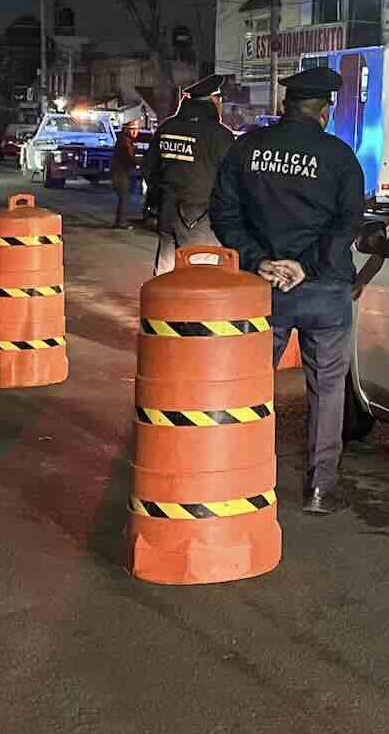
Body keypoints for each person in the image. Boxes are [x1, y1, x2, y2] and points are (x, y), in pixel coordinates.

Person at [209, 65, 365, 516]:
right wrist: (307, 264)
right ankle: (321, 489)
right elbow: (348, 223)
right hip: (324, 290)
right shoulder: (339, 156)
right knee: (328, 390)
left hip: (265, 290)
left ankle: (240, 477)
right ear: (324, 110)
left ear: (285, 104)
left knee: (252, 386)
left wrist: (260, 260)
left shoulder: (248, 148)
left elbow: (224, 213)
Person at [145, 73, 234, 271]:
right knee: (199, 277)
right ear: (214, 100)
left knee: (166, 272)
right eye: (220, 100)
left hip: (168, 211)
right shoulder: (219, 135)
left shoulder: (167, 127)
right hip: (200, 218)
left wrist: (160, 199)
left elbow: (150, 169)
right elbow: (232, 179)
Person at [110, 118, 142, 229]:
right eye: (132, 129)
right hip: (120, 173)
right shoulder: (124, 142)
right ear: (126, 130)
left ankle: (120, 221)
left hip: (122, 172)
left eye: (136, 129)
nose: (135, 132)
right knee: (124, 197)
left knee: (124, 197)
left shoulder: (126, 140)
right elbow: (129, 157)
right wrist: (141, 162)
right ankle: (121, 222)